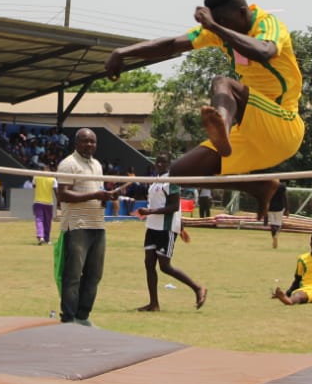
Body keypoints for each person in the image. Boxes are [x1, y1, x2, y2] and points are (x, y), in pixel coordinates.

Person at [104, 0, 305, 218]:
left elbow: (264, 51)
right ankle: (260, 187)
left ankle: (222, 130)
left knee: (222, 83)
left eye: (225, 24)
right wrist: (122, 53)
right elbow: (172, 44)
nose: (221, 29)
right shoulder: (220, 30)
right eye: (217, 25)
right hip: (253, 133)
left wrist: (214, 27)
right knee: (181, 172)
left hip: (284, 124)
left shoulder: (268, 23)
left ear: (243, 13)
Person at [55, 128, 120, 325]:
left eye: (93, 142)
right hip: (76, 226)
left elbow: (95, 192)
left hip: (98, 225)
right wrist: (95, 196)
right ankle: (68, 317)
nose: (89, 145)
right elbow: (63, 195)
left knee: (94, 274)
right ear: (76, 143)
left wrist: (106, 197)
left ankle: (83, 316)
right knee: (73, 274)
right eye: (85, 141)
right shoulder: (68, 164)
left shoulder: (97, 165)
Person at [135, 153, 207, 312]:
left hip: (165, 228)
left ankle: (197, 288)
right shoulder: (155, 181)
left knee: (165, 266)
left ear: (169, 164)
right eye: (158, 161)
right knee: (149, 263)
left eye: (164, 162)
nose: (160, 164)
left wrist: (150, 211)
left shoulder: (171, 181)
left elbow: (174, 207)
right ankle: (154, 303)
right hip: (152, 227)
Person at [32, 169, 57, 245]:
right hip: (49, 203)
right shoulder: (53, 179)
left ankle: (40, 236)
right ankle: (47, 239)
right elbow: (56, 191)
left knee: (39, 219)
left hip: (38, 202)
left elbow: (33, 186)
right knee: (47, 222)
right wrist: (59, 202)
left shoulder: (36, 177)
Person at [266, 185, 286, 249]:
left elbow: (266, 197)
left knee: (272, 225)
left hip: (270, 208)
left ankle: (273, 237)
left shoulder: (269, 186)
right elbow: (285, 197)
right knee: (279, 224)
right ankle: (276, 234)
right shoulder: (282, 186)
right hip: (279, 208)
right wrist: (287, 208)